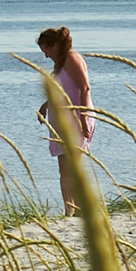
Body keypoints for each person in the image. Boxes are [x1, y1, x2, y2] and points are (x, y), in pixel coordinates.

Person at [36, 26, 93, 215]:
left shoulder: (72, 59)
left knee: (72, 167)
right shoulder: (61, 62)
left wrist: (84, 117)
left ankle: (78, 208)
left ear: (56, 45)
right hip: (61, 120)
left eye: (48, 51)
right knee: (64, 167)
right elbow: (62, 88)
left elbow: (84, 88)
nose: (46, 56)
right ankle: (70, 209)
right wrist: (45, 106)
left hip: (75, 119)